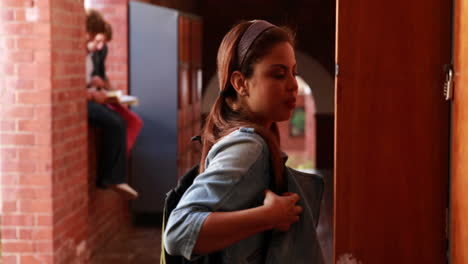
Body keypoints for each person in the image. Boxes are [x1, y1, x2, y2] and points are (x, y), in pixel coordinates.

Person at [164, 20, 323, 263]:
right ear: (240, 83)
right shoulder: (247, 146)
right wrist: (268, 216)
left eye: (294, 73)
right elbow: (178, 232)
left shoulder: (248, 138)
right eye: (279, 74)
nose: (293, 85)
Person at [85, 9, 139, 200]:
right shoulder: (81, 51)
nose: (99, 46)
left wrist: (99, 86)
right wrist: (92, 95)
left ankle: (117, 168)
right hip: (86, 101)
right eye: (97, 40)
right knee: (117, 122)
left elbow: (95, 79)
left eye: (102, 42)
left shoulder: (93, 54)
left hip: (93, 95)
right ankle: (112, 176)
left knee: (131, 120)